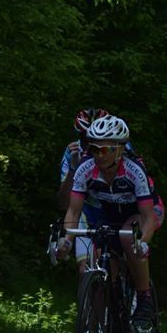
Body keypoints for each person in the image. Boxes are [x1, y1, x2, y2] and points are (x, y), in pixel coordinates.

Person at [57, 115, 163, 330]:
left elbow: (148, 217)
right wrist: (66, 239)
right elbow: (73, 210)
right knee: (99, 257)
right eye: (94, 149)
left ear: (120, 149)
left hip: (141, 213)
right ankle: (113, 312)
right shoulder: (85, 169)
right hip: (110, 214)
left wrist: (143, 242)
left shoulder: (134, 171)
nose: (98, 155)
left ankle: (144, 297)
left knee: (128, 238)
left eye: (104, 150)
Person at [57, 108, 108, 270]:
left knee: (109, 261)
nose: (91, 147)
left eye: (98, 141)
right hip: (87, 211)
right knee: (84, 268)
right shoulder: (72, 151)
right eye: (86, 140)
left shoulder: (121, 150)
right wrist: (73, 168)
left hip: (116, 209)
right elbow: (65, 204)